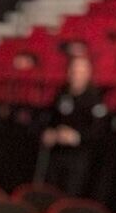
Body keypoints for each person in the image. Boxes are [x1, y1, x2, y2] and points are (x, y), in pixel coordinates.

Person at [40, 53, 107, 198]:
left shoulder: (95, 98)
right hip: (57, 153)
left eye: (81, 71)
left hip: (79, 156)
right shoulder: (62, 94)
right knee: (50, 194)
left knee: (71, 195)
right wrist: (50, 132)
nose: (76, 75)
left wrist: (76, 136)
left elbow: (99, 131)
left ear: (88, 74)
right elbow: (51, 119)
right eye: (74, 70)